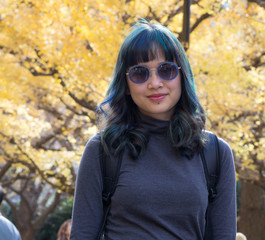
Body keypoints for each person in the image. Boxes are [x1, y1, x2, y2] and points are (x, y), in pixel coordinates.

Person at [70, 19, 236, 240]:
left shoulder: (215, 153)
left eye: (166, 70)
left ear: (182, 76)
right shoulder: (103, 150)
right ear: (126, 84)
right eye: (140, 73)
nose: (155, 83)